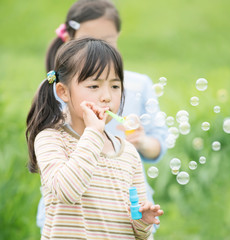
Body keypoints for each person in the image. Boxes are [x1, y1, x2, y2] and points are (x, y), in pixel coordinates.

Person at [38, 0, 168, 236]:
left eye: (116, 86)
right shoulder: (51, 138)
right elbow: (67, 191)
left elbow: (137, 229)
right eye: (94, 85)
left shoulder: (127, 153)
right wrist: (93, 133)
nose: (106, 96)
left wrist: (143, 222)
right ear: (63, 93)